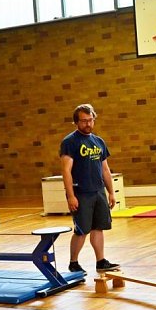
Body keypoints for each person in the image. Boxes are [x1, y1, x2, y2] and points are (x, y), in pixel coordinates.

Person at [60, 103, 120, 274]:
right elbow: (66, 170)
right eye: (84, 121)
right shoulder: (70, 142)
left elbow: (105, 169)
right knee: (81, 230)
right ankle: (74, 262)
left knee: (98, 227)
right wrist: (71, 195)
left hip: (98, 191)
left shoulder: (98, 141)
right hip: (81, 192)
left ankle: (101, 261)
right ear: (76, 122)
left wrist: (110, 192)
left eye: (90, 120)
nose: (88, 124)